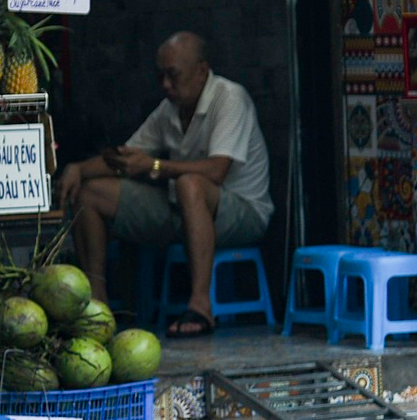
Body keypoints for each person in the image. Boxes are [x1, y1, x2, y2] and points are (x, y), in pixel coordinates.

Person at [58, 32, 271, 338]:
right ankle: (97, 306)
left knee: (190, 185)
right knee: (91, 193)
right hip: (183, 212)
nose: (166, 86)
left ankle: (200, 305)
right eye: (160, 77)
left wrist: (155, 167)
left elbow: (217, 171)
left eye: (173, 76)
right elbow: (125, 158)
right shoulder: (169, 110)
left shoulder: (229, 97)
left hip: (242, 213)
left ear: (201, 70)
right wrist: (77, 168)